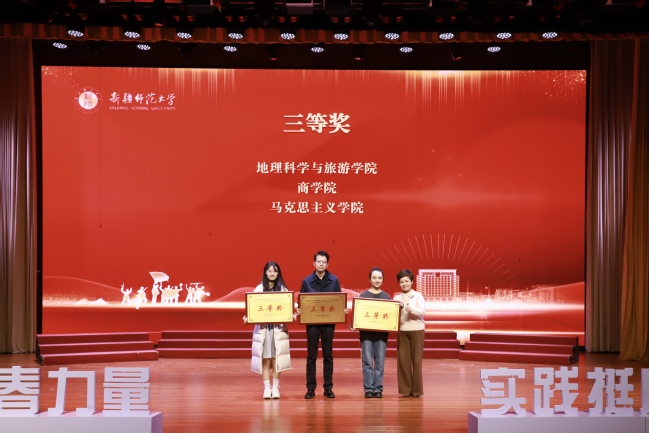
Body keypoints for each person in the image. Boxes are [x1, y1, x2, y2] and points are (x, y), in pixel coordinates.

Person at [245, 261, 292, 399]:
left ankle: (276, 388)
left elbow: (288, 309)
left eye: (275, 271)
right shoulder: (259, 289)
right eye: (270, 271)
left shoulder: (283, 290)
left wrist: (291, 315)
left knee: (277, 359)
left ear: (278, 273)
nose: (272, 273)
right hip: (263, 329)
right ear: (265, 272)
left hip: (278, 329)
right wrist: (248, 317)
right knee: (265, 359)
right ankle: (267, 388)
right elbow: (252, 309)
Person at [300, 250, 342, 399]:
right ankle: (310, 388)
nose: (321, 264)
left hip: (328, 324)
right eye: (319, 261)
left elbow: (338, 301)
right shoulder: (306, 281)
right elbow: (302, 302)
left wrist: (342, 309)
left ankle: (328, 388)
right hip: (312, 324)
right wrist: (300, 310)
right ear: (314, 263)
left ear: (327, 264)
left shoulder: (334, 281)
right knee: (311, 356)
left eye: (324, 262)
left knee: (328, 356)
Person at [356, 267, 391, 398]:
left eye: (380, 278)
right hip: (366, 334)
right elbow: (359, 315)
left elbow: (390, 316)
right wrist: (355, 324)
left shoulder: (386, 297)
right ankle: (368, 389)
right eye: (374, 278)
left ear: (383, 279)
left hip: (381, 334)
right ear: (370, 279)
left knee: (380, 362)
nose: (377, 280)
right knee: (367, 362)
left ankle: (378, 389)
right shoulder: (363, 296)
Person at [393, 269, 426, 397]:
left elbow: (422, 312)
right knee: (403, 361)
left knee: (416, 361)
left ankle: (417, 390)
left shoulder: (418, 296)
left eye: (407, 281)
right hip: (402, 330)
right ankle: (406, 390)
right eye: (401, 282)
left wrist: (410, 309)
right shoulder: (396, 298)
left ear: (412, 281)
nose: (404, 284)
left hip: (417, 330)